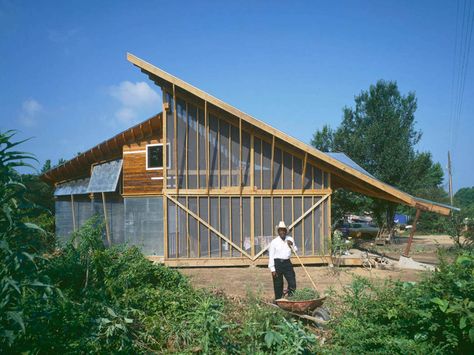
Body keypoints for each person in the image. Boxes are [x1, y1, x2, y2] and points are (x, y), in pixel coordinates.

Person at [268, 221, 297, 300]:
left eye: (284, 230)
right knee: (278, 284)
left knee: (292, 283)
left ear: (286, 231)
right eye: (281, 230)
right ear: (278, 231)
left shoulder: (290, 239)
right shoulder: (274, 242)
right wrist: (272, 269)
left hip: (287, 263)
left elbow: (295, 251)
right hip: (277, 264)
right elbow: (271, 256)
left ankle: (291, 298)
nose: (282, 232)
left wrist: (292, 245)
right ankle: (278, 301)